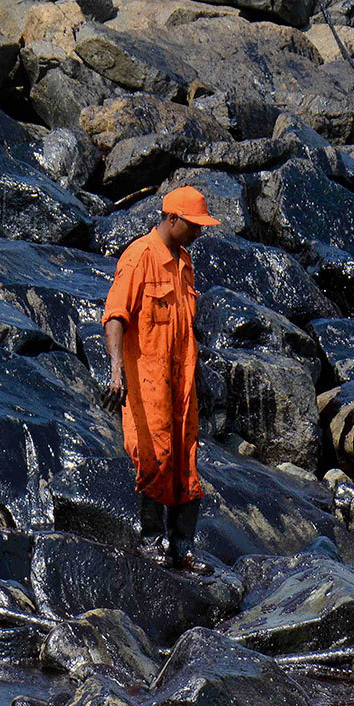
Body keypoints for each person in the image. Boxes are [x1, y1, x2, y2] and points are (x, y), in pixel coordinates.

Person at [101, 186, 219, 572]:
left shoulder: (184, 263)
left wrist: (199, 378)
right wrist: (117, 371)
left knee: (186, 463)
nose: (199, 233)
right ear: (172, 219)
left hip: (182, 386)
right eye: (194, 225)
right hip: (147, 383)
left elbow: (187, 331)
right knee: (154, 458)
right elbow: (115, 316)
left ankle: (183, 548)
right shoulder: (138, 258)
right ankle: (152, 541)